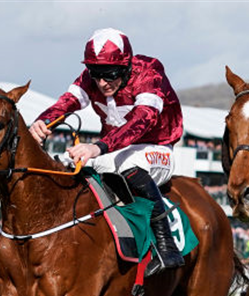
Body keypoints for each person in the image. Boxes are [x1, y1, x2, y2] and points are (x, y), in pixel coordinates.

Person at [29, 28, 185, 277]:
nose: (102, 83)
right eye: (96, 74)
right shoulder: (93, 77)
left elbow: (141, 121)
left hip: (157, 147)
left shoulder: (149, 72)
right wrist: (42, 122)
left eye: (110, 75)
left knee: (127, 163)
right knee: (65, 161)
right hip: (114, 149)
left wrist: (97, 147)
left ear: (126, 66)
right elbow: (67, 101)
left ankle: (167, 248)